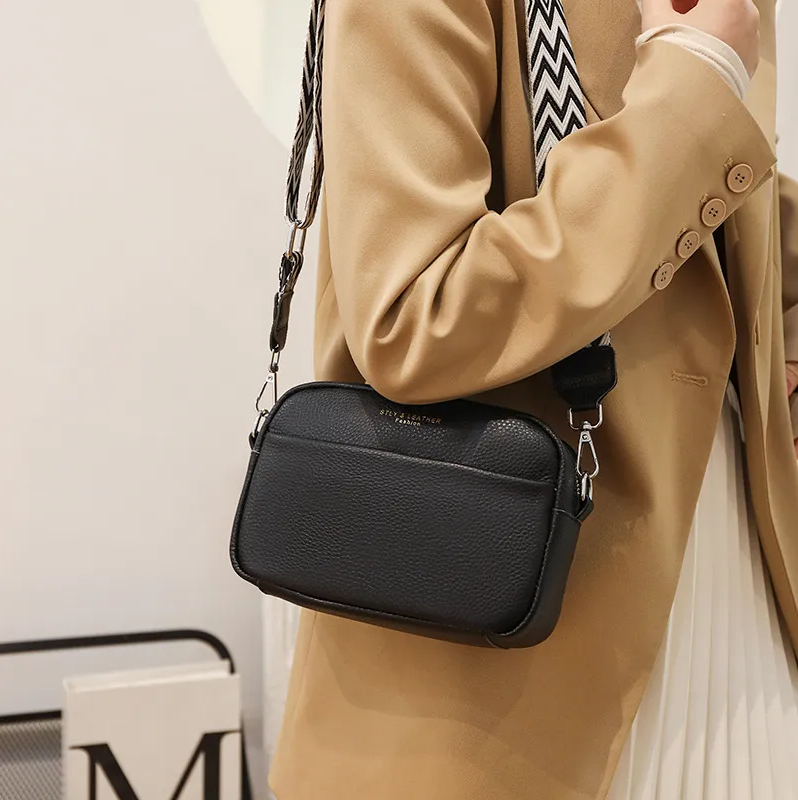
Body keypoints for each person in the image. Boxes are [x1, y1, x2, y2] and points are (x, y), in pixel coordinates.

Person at [269, 0, 798, 797]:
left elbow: (717, 223)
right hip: (504, 664)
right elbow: (416, 317)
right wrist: (694, 89)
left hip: (737, 590)